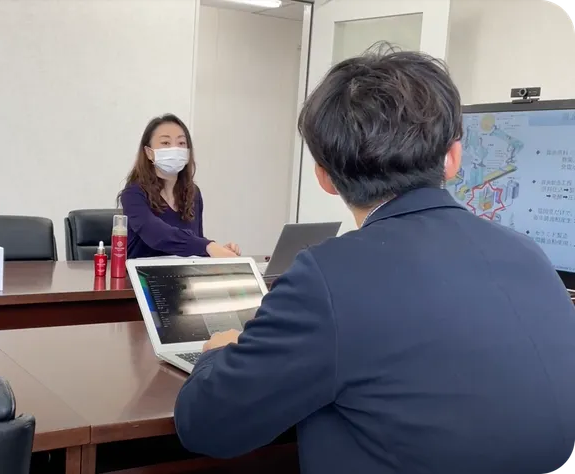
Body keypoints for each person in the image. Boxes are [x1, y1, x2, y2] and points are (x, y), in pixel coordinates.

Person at [173, 47, 575, 473]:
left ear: (324, 176)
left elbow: (205, 425)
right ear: (453, 158)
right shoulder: (529, 254)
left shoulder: (328, 278)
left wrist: (216, 354)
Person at [118, 114, 239, 259]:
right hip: (142, 272)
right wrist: (208, 246)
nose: (175, 149)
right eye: (165, 143)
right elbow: (156, 234)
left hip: (182, 272)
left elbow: (194, 242)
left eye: (181, 143)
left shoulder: (193, 192)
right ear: (149, 152)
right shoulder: (133, 193)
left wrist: (218, 252)